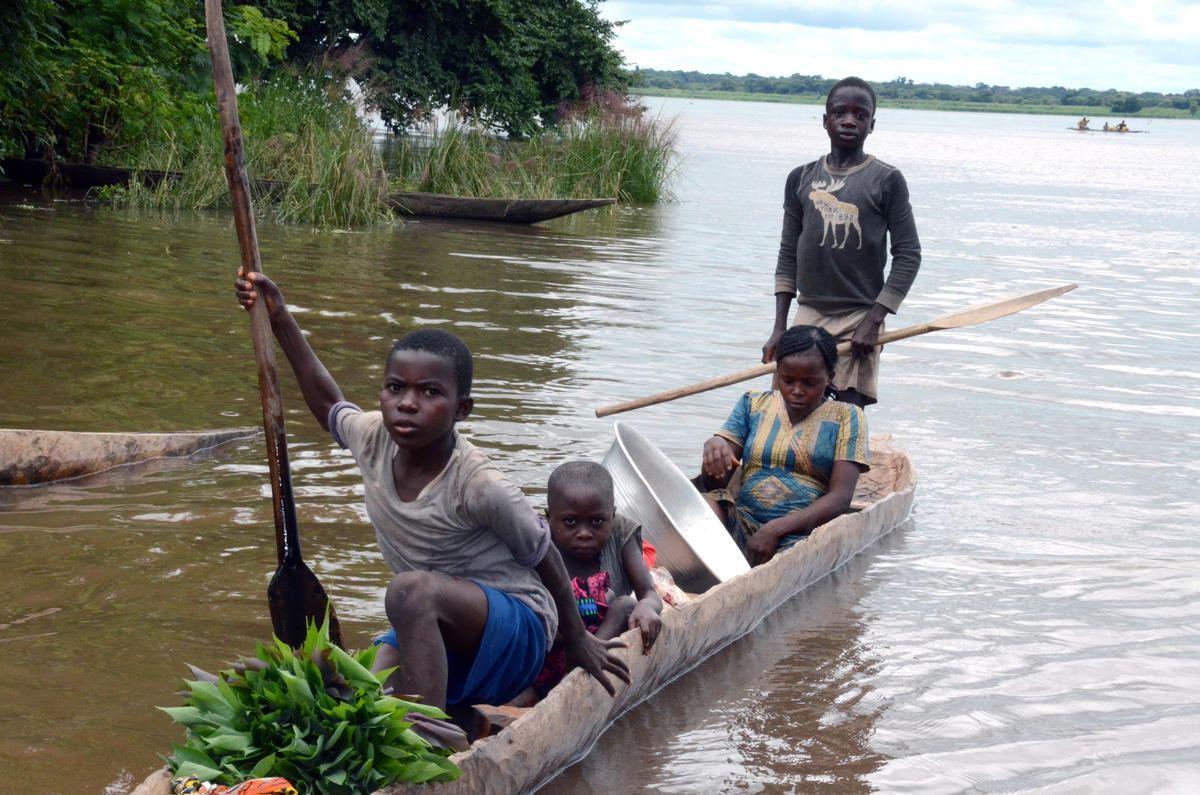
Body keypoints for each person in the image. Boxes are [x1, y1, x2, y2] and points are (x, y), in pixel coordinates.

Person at [234, 267, 630, 727]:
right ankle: (460, 721)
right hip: (440, 624)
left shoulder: (480, 485)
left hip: (518, 632)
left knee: (408, 591)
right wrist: (281, 318)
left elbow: (548, 559)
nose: (407, 403)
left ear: (462, 409)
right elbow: (327, 406)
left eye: (430, 392)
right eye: (395, 388)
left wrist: (577, 638)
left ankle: (428, 735)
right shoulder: (372, 437)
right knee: (353, 694)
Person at [763, 76, 921, 409]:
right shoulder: (801, 178)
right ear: (826, 121)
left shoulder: (886, 180)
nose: (849, 121)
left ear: (871, 124)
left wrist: (873, 321)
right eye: (839, 113)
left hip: (859, 315)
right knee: (788, 412)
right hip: (809, 312)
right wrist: (780, 327)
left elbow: (908, 255)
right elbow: (788, 253)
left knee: (846, 416)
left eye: (860, 115)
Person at [703, 325, 870, 566]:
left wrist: (775, 529)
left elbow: (841, 498)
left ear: (829, 378)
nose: (797, 391)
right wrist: (715, 447)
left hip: (802, 534)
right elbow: (714, 484)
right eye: (787, 381)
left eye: (810, 383)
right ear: (777, 373)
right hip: (744, 520)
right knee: (704, 505)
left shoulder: (847, 416)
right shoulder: (753, 403)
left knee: (797, 554)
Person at [520, 461, 664, 700]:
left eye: (597, 522)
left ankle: (576, 675)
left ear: (612, 517)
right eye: (570, 522)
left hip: (601, 643)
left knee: (626, 605)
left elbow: (649, 593)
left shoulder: (620, 532)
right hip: (553, 647)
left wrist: (648, 606)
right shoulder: (539, 540)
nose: (584, 533)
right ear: (549, 518)